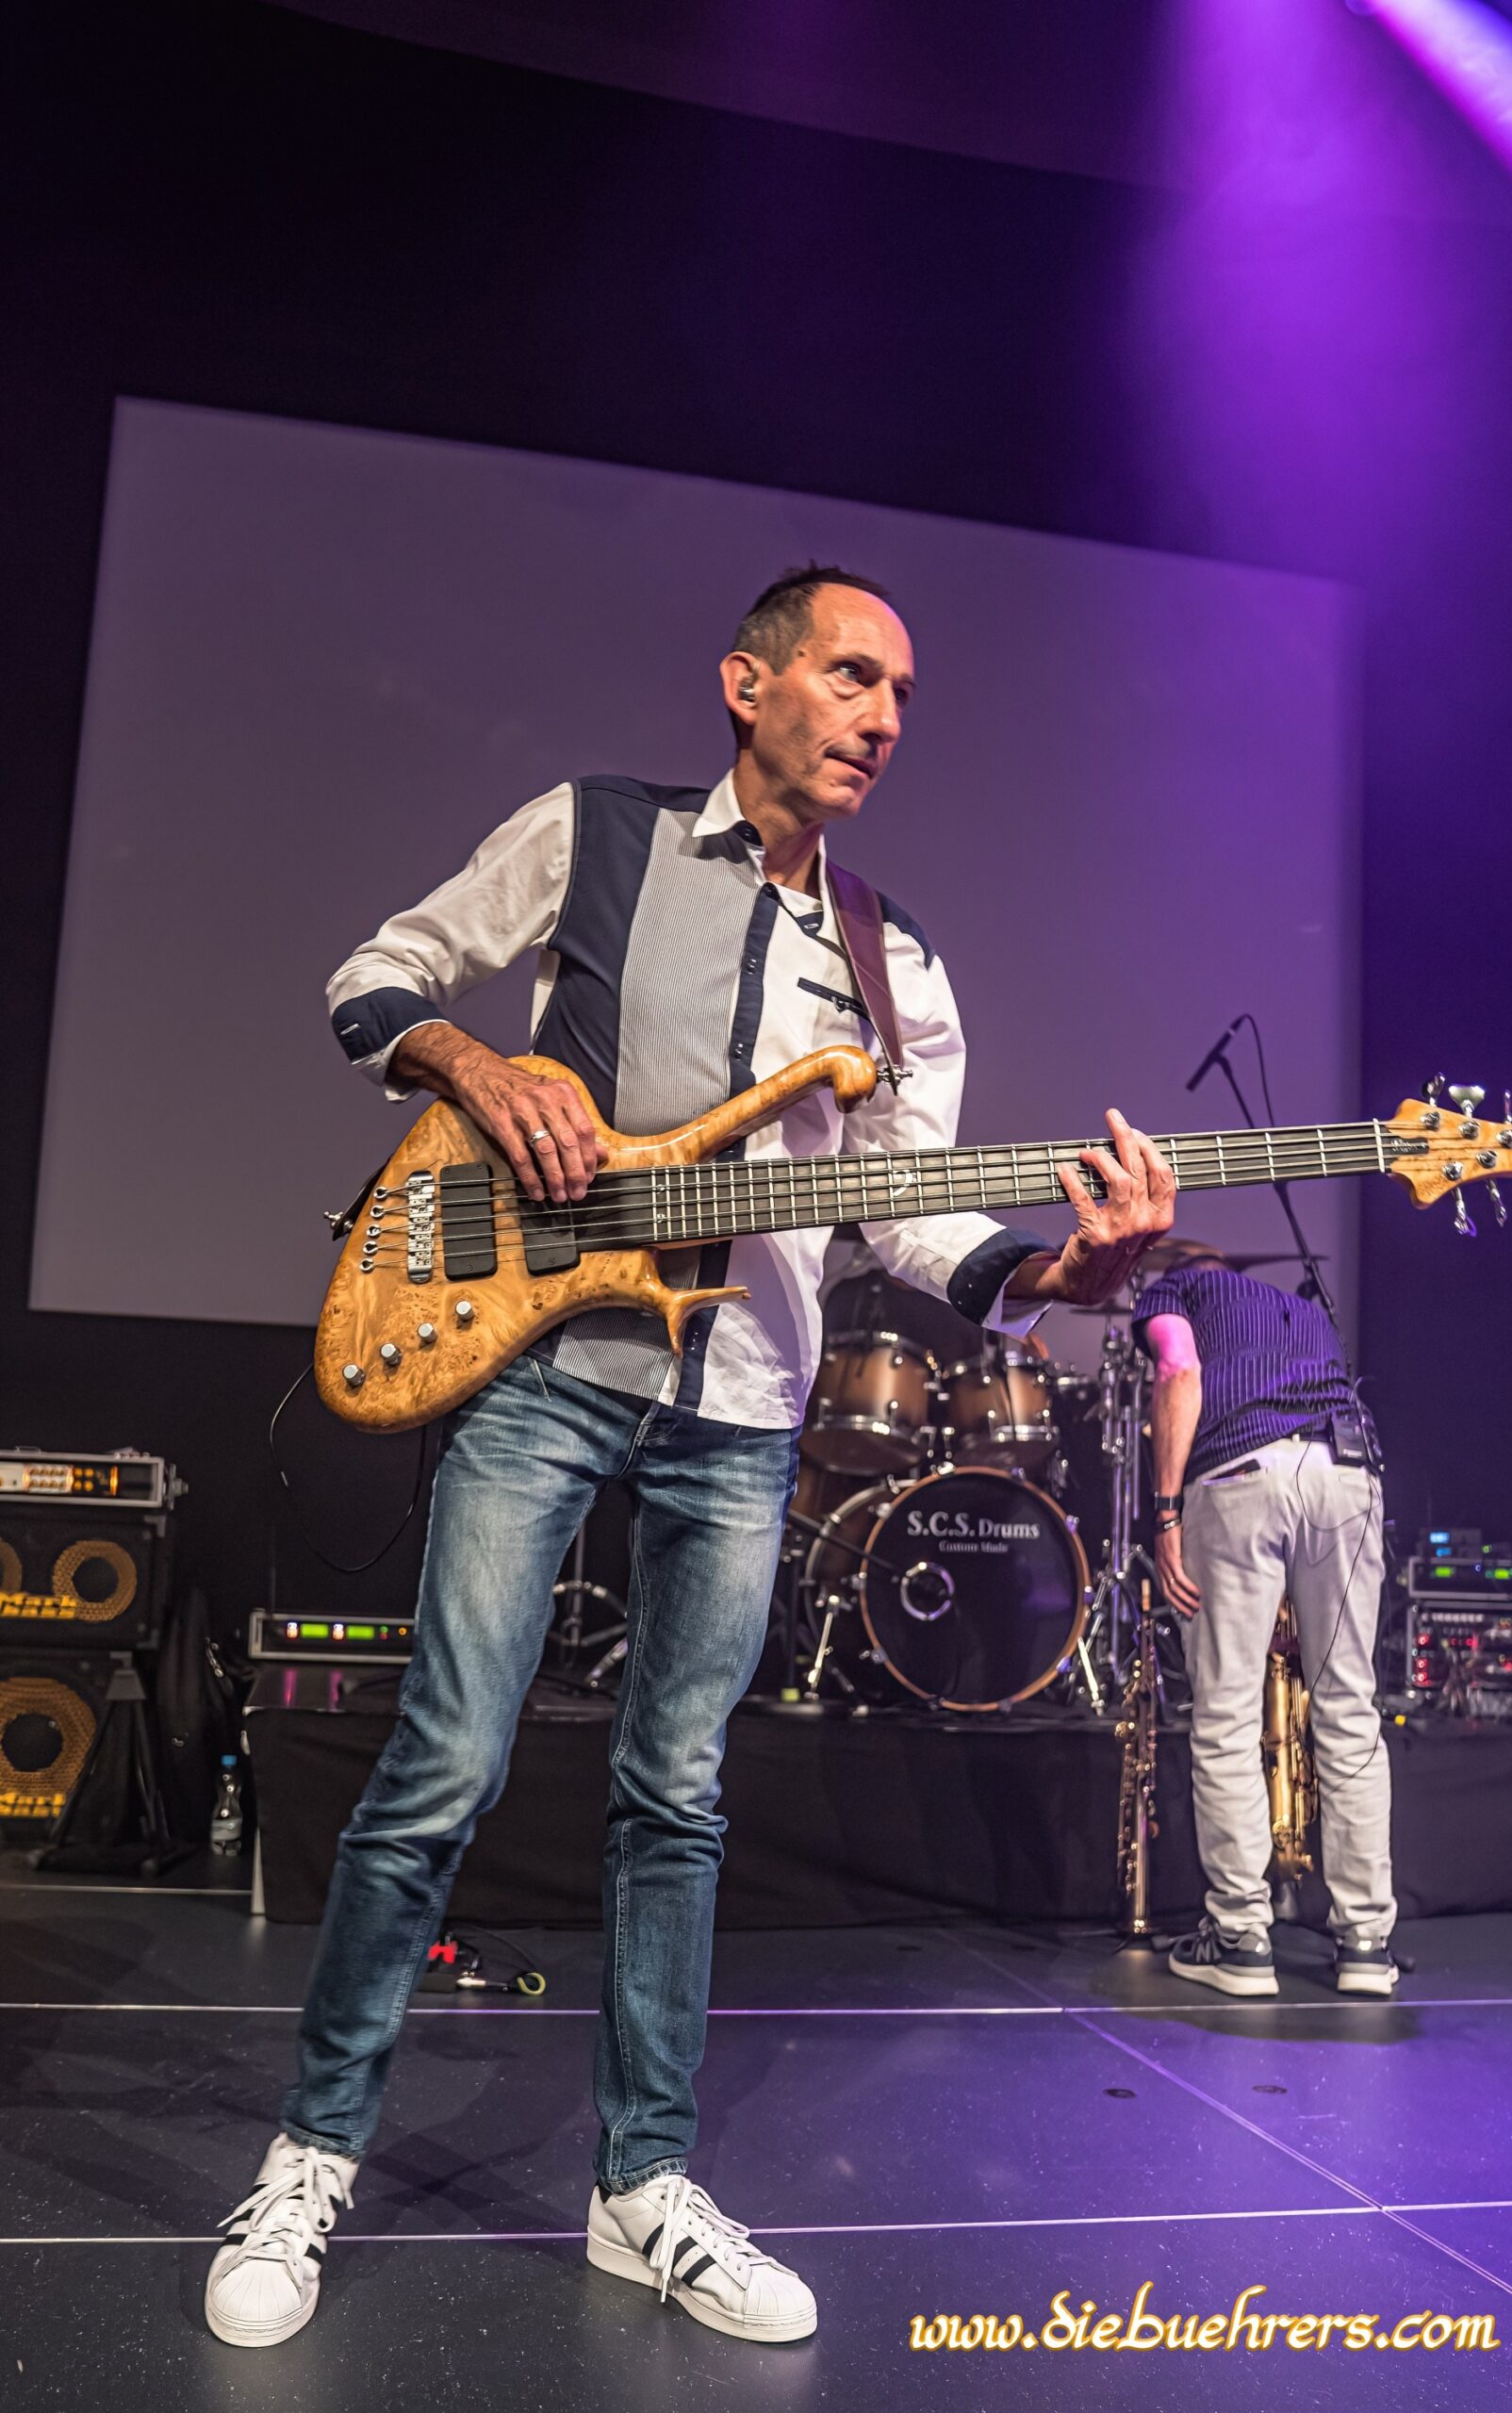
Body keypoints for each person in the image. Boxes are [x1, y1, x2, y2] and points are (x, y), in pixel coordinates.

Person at [205, 566, 1177, 2349]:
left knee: (677, 1798)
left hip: (742, 1412)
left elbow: (909, 1217)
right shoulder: (595, 833)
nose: (882, 717)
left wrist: (1062, 1276)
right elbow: (376, 976)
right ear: (747, 683)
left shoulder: (895, 961)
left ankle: (639, 2186)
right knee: (441, 1765)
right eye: (851, 676)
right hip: (539, 1360)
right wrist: (476, 1066)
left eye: (901, 694)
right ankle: (311, 2155)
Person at [1134, 1242, 1398, 2000]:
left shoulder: (1173, 1295)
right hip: (1346, 1473)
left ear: (1175, 1274)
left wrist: (1165, 1513)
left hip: (1240, 1473)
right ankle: (1366, 1944)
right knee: (1349, 1712)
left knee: (1225, 1715)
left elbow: (1177, 1369)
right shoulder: (1303, 1310)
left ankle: (1241, 1939)